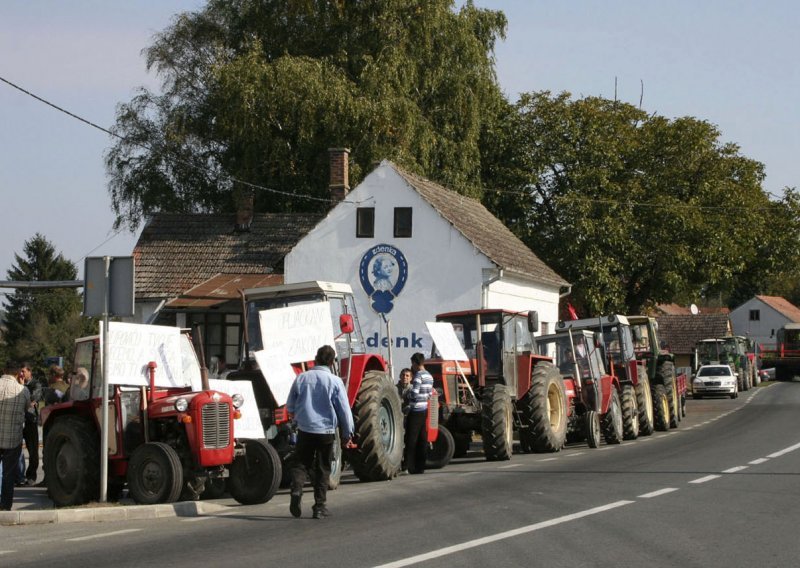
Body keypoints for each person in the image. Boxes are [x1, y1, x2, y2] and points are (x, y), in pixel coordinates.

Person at [286, 345, 355, 520]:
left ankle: (296, 489)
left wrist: (297, 418)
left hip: (305, 429)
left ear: (315, 359)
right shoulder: (335, 381)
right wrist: (348, 433)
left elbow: (290, 406)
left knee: (301, 463)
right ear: (332, 362)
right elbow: (344, 411)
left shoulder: (301, 378)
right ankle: (319, 506)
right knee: (323, 467)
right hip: (326, 431)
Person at [0, 361, 32, 511]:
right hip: (13, 439)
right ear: (17, 373)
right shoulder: (23, 390)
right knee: (9, 474)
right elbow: (28, 410)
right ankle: (5, 506)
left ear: (4, 370)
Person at [403, 352, 434, 475]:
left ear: (416, 363)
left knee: (411, 439)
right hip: (424, 409)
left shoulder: (418, 376)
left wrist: (407, 396)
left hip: (415, 410)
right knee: (422, 438)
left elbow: (414, 393)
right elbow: (430, 394)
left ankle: (408, 465)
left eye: (412, 364)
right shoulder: (429, 376)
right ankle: (420, 466)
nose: (412, 366)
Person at [19, 362, 41, 486]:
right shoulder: (18, 383)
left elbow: (32, 398)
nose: (21, 374)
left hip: (30, 421)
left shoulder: (35, 384)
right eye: (20, 371)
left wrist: (23, 389)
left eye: (23, 371)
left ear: (29, 371)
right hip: (18, 420)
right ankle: (18, 476)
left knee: (32, 450)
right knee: (15, 450)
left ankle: (31, 476)